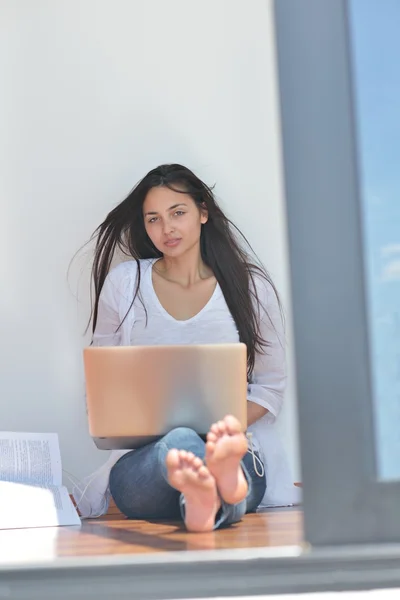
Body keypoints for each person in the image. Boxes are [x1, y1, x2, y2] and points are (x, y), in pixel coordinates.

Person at [75, 163, 298, 531]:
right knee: (175, 443)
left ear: (203, 212)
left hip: (234, 449)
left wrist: (218, 432)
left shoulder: (249, 286)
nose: (167, 229)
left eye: (177, 213)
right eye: (153, 219)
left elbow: (270, 388)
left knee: (204, 450)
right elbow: (101, 385)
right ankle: (220, 488)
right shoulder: (124, 284)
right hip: (146, 462)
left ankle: (204, 498)